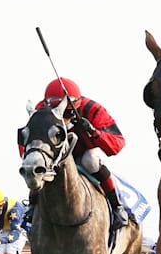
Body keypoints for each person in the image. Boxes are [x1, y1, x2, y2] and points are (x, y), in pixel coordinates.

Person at [26, 77, 129, 228]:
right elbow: (29, 139)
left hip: (84, 153)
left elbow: (117, 144)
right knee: (36, 165)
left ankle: (117, 207)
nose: (63, 120)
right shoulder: (40, 110)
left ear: (76, 105)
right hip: (55, 157)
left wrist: (93, 132)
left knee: (92, 160)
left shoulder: (93, 110)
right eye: (57, 112)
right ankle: (32, 206)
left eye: (67, 113)